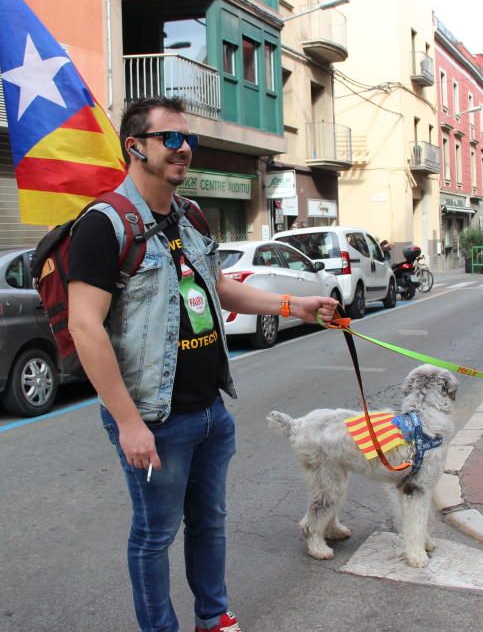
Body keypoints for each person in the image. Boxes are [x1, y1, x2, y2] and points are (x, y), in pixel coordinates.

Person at [67, 96, 338, 632]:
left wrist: (294, 305)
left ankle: (212, 618)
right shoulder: (104, 225)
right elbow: (85, 326)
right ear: (135, 147)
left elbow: (217, 288)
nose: (184, 148)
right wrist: (128, 422)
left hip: (211, 411)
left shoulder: (189, 215)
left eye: (188, 139)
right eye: (170, 138)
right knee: (154, 535)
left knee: (210, 523)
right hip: (154, 417)